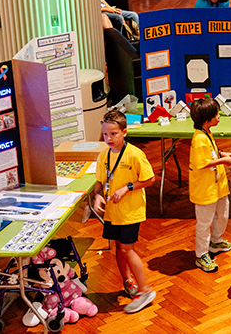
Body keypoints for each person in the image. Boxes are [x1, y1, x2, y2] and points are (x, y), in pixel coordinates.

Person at [92, 110, 156, 313]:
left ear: (124, 132)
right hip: (113, 212)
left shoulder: (136, 154)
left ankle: (145, 290)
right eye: (105, 134)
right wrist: (98, 195)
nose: (109, 138)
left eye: (113, 134)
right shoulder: (103, 155)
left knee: (128, 249)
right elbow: (100, 182)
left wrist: (127, 187)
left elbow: (150, 179)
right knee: (119, 248)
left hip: (130, 211)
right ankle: (128, 282)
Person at [188, 98, 231, 273]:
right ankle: (201, 254)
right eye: (216, 114)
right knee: (204, 222)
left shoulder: (206, 133)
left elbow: (211, 152)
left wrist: (222, 153)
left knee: (222, 214)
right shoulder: (199, 138)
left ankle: (216, 241)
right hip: (205, 190)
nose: (219, 116)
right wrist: (223, 160)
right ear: (207, 119)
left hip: (217, 187)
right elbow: (202, 161)